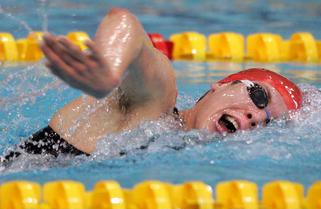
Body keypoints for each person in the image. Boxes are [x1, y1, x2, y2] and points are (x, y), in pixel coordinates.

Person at [1, 8, 302, 163]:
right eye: (258, 96)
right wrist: (108, 70)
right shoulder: (156, 102)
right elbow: (124, 23)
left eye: (267, 123)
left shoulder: (177, 147)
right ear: (221, 85)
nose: (255, 116)